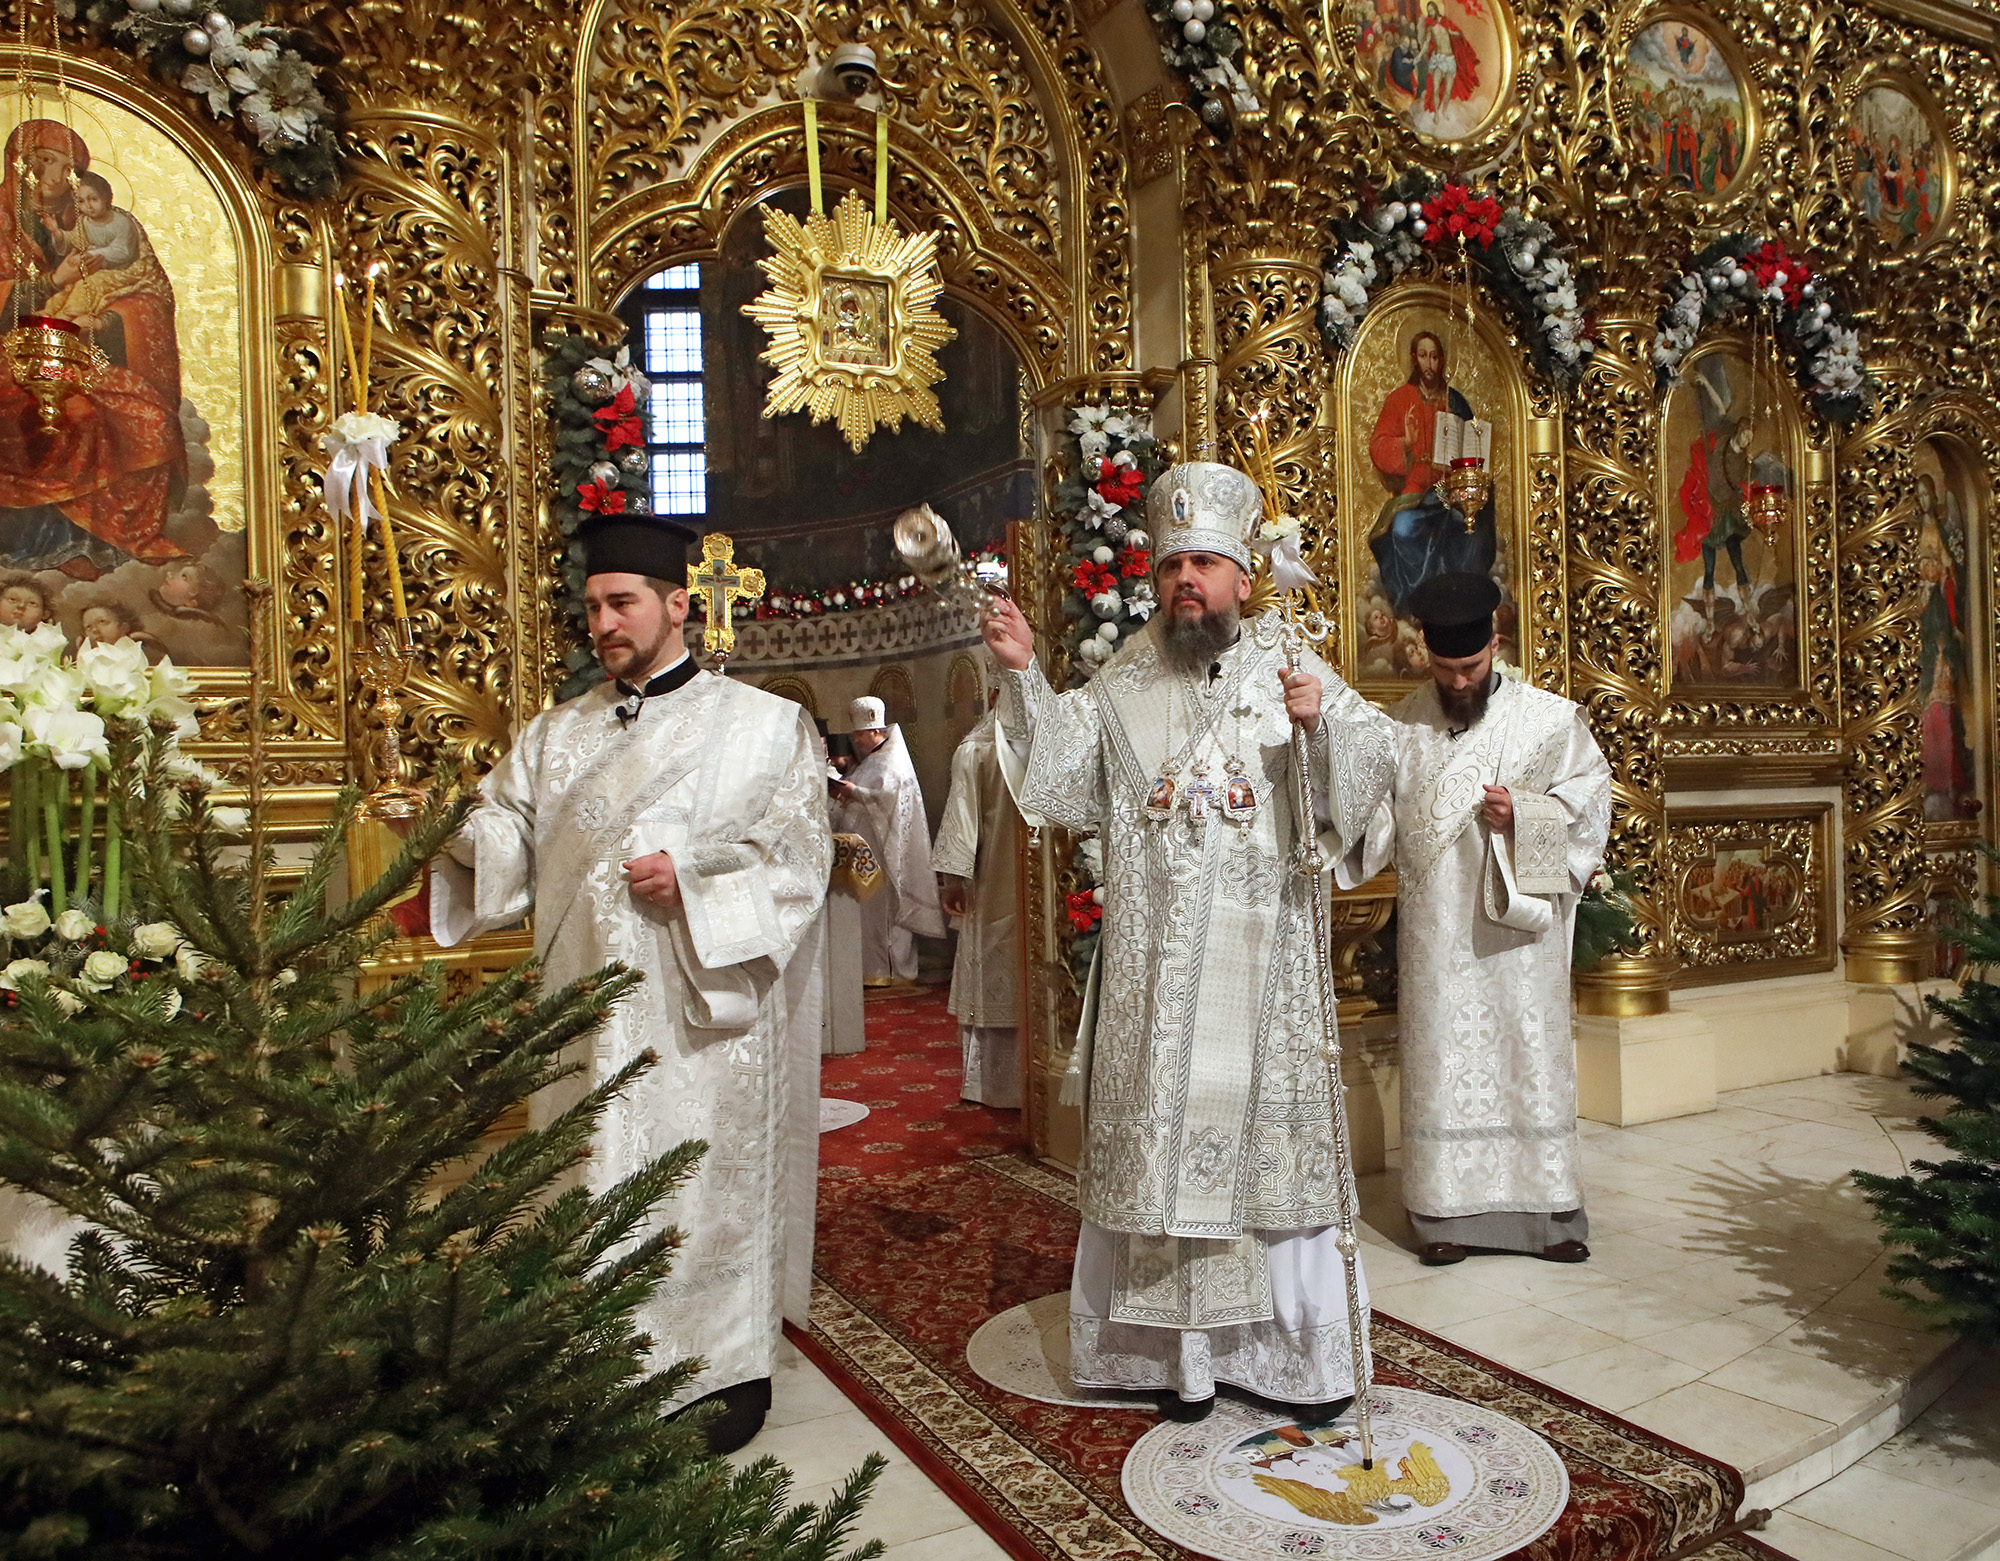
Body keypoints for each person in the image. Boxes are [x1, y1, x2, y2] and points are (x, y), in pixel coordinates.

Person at [981, 460, 1398, 1423]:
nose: (1188, 584)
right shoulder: (1123, 678)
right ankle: (1175, 1363)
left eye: (1206, 564)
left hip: (1268, 981)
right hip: (1156, 979)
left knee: (1270, 1176)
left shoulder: (1295, 665)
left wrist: (1323, 726)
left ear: (1243, 576)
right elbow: (1055, 782)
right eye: (1173, 567)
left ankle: (1297, 1362)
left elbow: (1372, 777)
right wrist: (1021, 676)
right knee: (1162, 1160)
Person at [426, 515, 832, 1455]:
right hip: (582, 1017)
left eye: (624, 603)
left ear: (676, 605)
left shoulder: (765, 725)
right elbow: (505, 846)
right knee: (592, 1179)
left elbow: (800, 862)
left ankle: (720, 1366)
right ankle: (595, 1359)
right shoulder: (554, 735)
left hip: (703, 1020)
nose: (603, 621)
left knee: (701, 1188)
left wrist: (693, 883)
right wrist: (441, 821)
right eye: (595, 605)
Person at [1337, 572, 1612, 1268]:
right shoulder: (1400, 727)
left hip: (1520, 938)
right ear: (1422, 651)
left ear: (1496, 643)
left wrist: (1527, 815)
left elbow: (1591, 811)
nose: (1460, 681)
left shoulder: (1548, 722)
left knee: (1528, 1057)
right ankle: (1442, 1217)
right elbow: (1372, 826)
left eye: (1473, 666)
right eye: (1445, 667)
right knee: (1443, 1062)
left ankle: (1549, 1216)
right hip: (1438, 943)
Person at [931, 690, 1024, 1107]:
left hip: (995, 881)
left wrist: (952, 881)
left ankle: (993, 1085)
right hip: (1042, 880)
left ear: (991, 695)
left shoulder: (976, 747)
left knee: (995, 959)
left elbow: (961, 823)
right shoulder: (1052, 740)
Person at [1366, 330, 1496, 613]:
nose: (1429, 364)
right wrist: (1405, 443)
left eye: (1435, 357)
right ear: (1414, 359)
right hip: (1415, 490)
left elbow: (1472, 446)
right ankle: (1414, 604)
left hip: (1451, 489)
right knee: (1401, 529)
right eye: (1423, 356)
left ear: (1442, 361)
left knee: (1463, 525)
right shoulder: (1399, 399)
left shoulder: (1455, 401)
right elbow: (1378, 445)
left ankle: (1460, 601)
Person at [830, 695, 945, 985]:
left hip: (886, 852)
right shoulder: (871, 762)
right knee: (867, 913)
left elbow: (889, 800)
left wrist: (854, 792)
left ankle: (893, 972)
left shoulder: (892, 760)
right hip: (866, 853)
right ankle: (872, 970)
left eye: (859, 734)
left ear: (874, 731)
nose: (856, 740)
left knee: (885, 912)